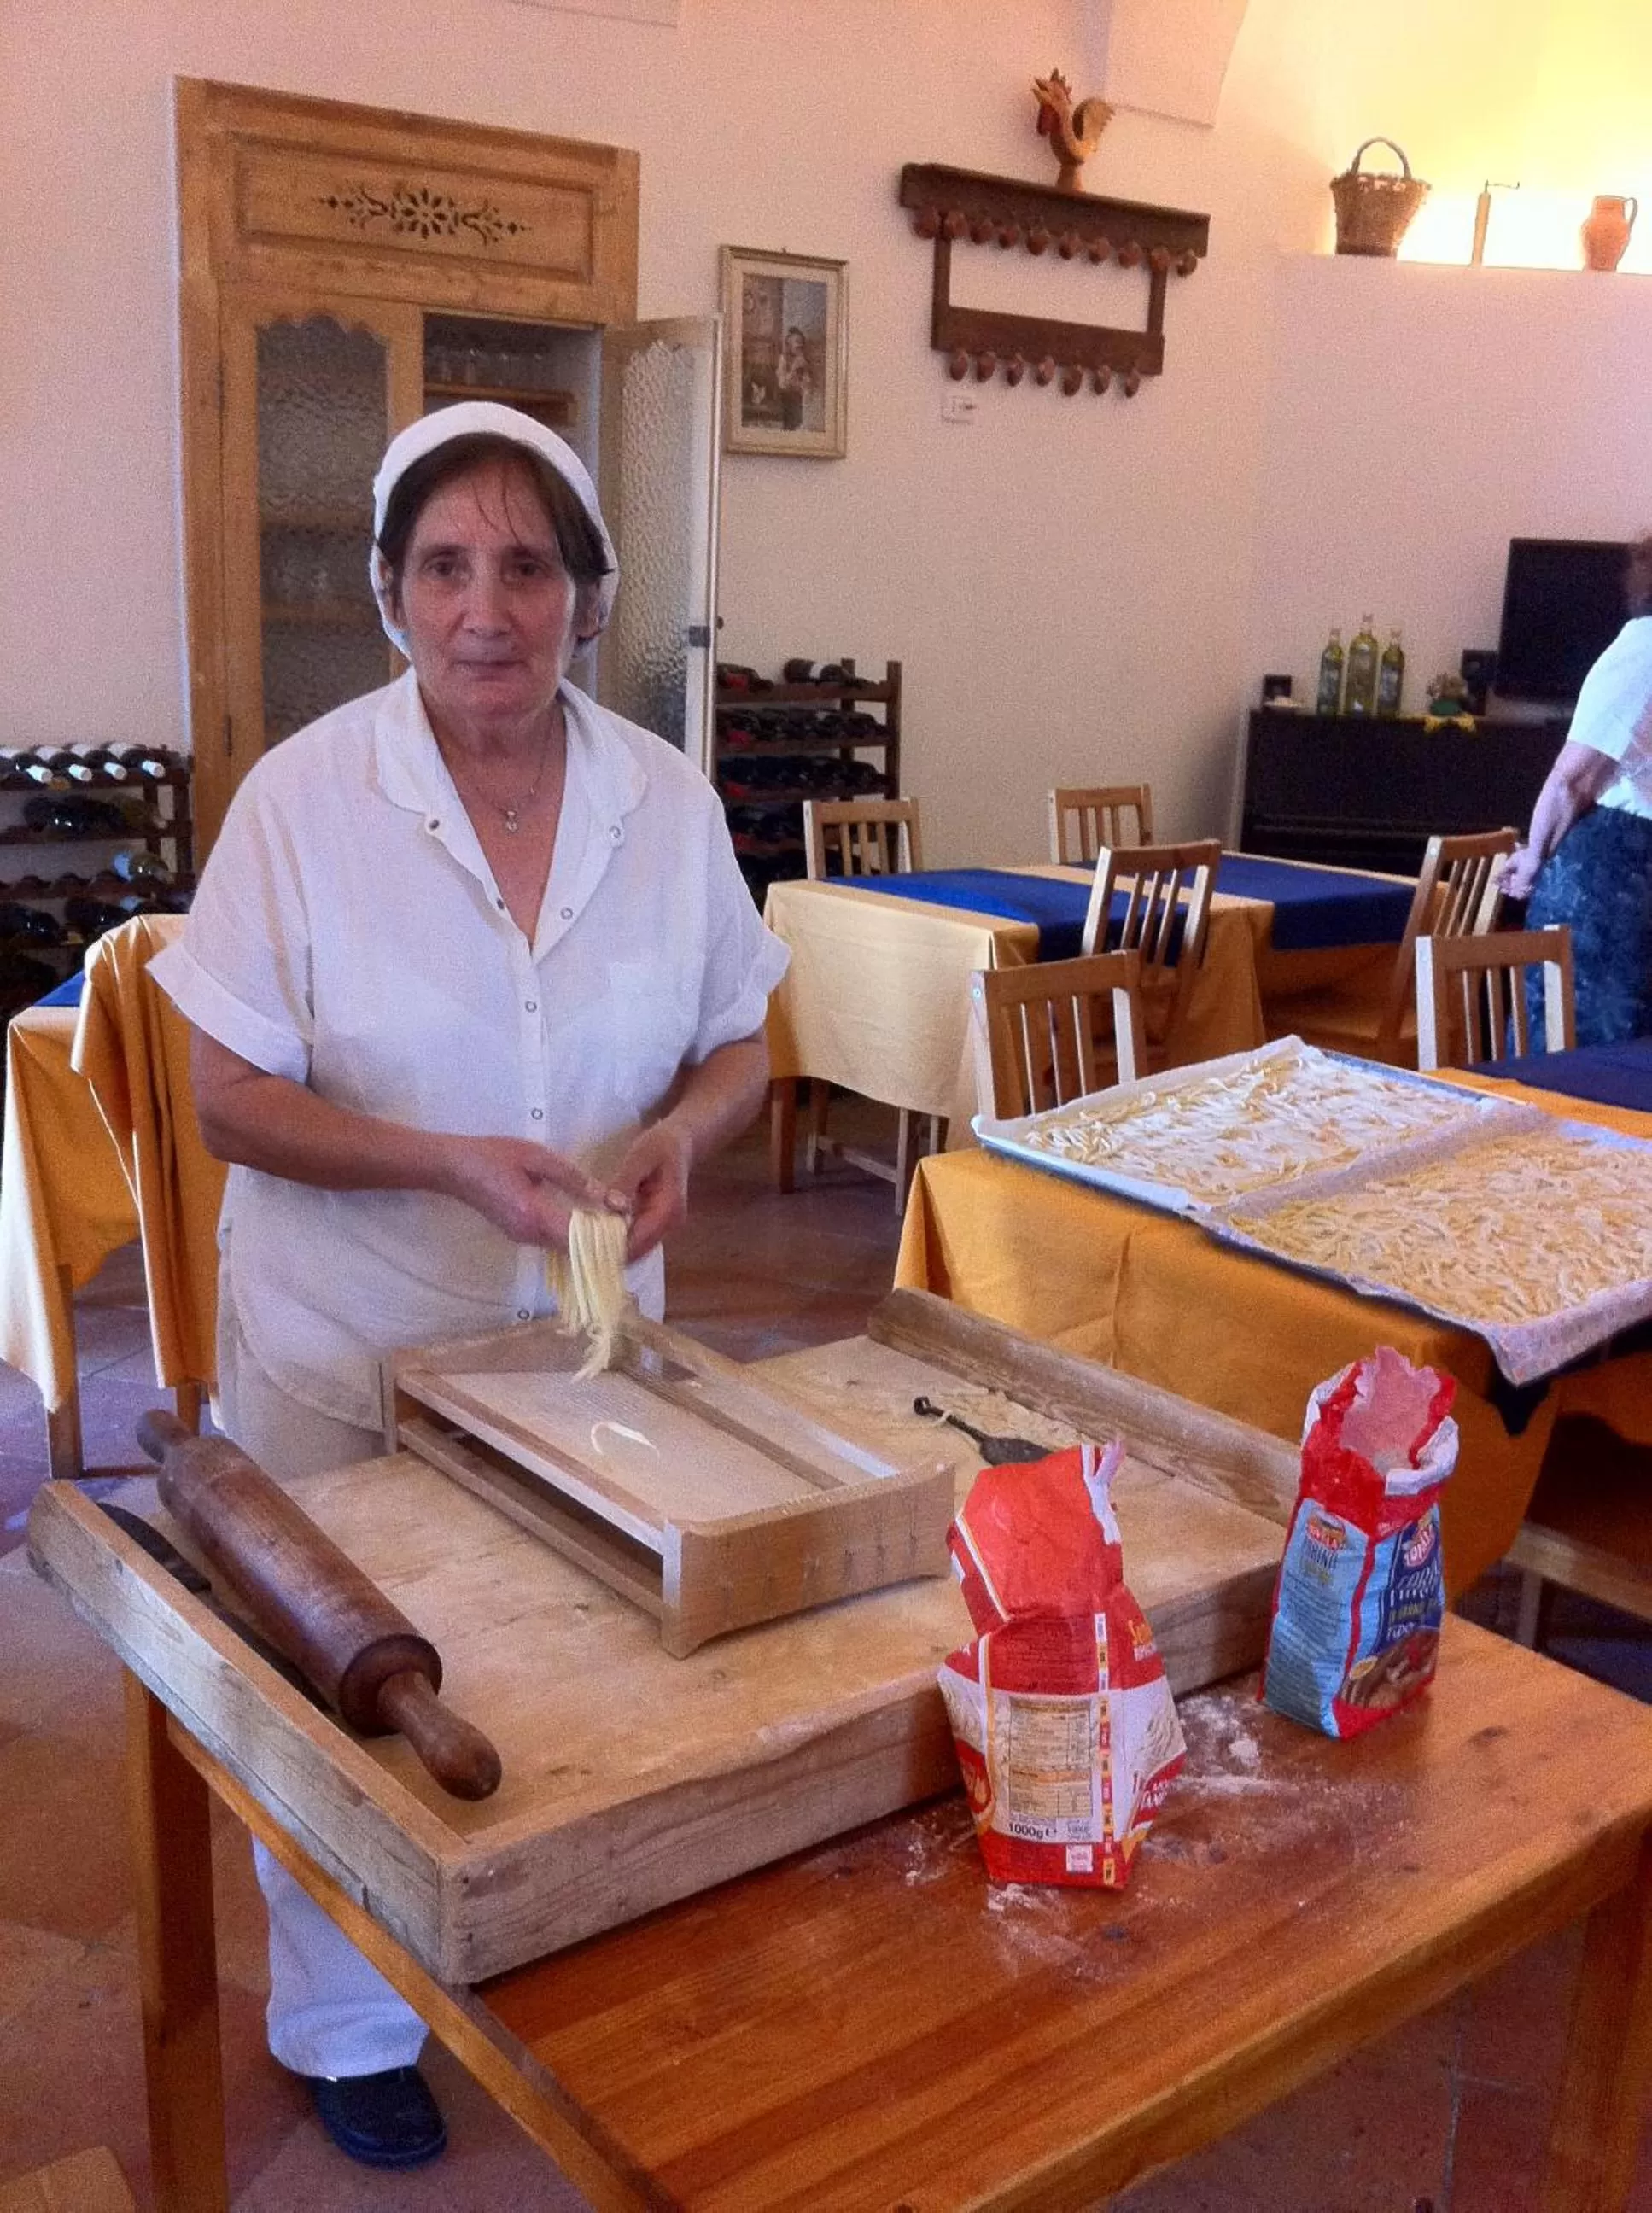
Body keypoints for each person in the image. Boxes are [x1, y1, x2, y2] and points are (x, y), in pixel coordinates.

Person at [149, 402, 787, 2169]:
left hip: (573, 1358)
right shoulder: (305, 802)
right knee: (343, 1689)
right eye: (445, 566)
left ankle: (530, 1942)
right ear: (387, 592)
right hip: (346, 1349)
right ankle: (348, 2019)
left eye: (527, 566)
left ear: (590, 600)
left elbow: (743, 1033)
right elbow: (220, 1095)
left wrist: (679, 1135)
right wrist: (441, 1160)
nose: (484, 607)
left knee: (569, 1664)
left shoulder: (664, 804)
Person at [1500, 534, 1652, 1046]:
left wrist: (1533, 857)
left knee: (1574, 1047)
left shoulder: (1645, 647)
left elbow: (1574, 780)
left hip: (1619, 880)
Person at [775, 325, 813, 432]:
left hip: (798, 397)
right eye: (796, 341)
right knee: (789, 425)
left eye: (801, 342)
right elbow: (782, 384)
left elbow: (807, 383)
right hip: (786, 396)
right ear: (789, 344)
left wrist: (806, 386)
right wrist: (793, 370)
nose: (799, 345)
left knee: (800, 423)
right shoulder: (784, 359)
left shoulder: (803, 360)